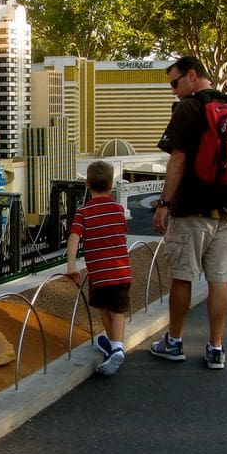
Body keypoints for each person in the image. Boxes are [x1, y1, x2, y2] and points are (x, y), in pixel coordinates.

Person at [150, 56, 227, 370]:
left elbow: (178, 160)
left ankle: (174, 342)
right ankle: (216, 348)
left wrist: (164, 203)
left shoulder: (188, 108)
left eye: (175, 83)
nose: (174, 91)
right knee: (220, 280)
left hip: (192, 209)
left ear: (192, 75)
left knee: (182, 276)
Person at [66, 160, 132, 376]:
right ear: (111, 184)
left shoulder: (83, 212)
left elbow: (74, 237)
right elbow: (121, 236)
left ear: (87, 184)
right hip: (122, 270)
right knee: (118, 311)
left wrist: (72, 265)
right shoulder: (118, 209)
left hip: (99, 274)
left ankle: (116, 346)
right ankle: (116, 346)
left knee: (104, 309)